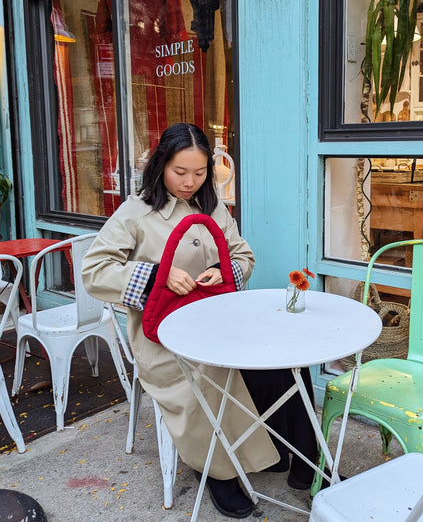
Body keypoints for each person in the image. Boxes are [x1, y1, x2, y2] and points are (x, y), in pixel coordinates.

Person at [81, 123, 318, 518]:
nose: (190, 182)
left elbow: (243, 255)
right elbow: (94, 271)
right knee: (204, 379)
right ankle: (217, 473)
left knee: (282, 358)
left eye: (200, 172)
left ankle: (296, 456)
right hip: (165, 335)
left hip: (221, 320)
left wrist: (222, 271)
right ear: (160, 166)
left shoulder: (212, 206)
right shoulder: (137, 211)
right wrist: (156, 274)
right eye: (180, 172)